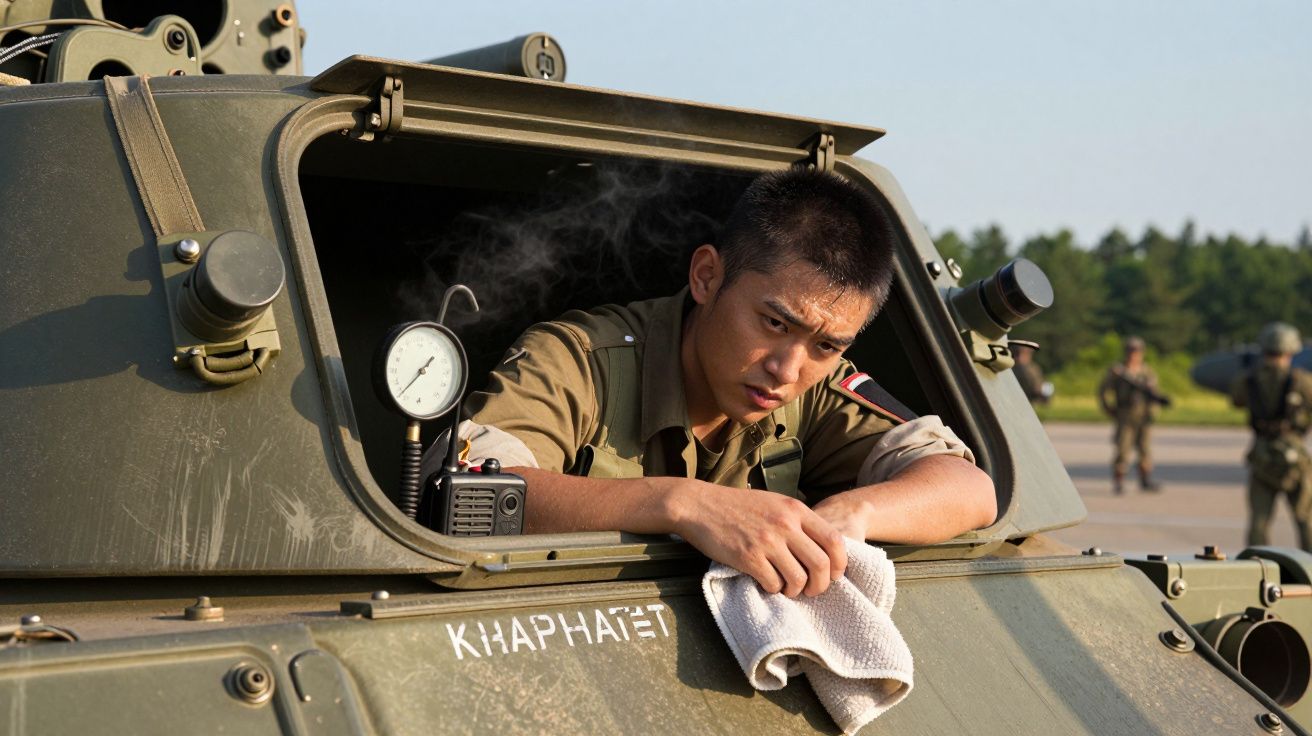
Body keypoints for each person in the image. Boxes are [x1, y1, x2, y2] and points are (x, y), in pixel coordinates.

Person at [457, 168, 996, 598]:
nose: (788, 371)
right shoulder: (578, 361)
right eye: (775, 323)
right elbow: (472, 493)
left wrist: (849, 516)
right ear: (707, 277)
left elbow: (970, 488)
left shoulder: (817, 388)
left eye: (827, 346)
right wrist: (682, 504)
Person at [1231, 322, 1312, 550]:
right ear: (1291, 350)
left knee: (1260, 519)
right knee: (1305, 517)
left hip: (1262, 454)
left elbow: (1237, 401)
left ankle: (1257, 567)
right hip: (1293, 454)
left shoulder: (1247, 380)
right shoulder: (1301, 380)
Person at [1097, 336, 1165, 494]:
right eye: (1130, 350)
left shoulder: (1147, 372)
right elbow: (1103, 390)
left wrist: (1153, 412)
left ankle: (1145, 479)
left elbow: (1154, 394)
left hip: (1143, 416)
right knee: (1122, 449)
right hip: (1125, 414)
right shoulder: (1117, 371)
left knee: (1145, 449)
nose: (1133, 354)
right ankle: (1119, 481)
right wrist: (1108, 408)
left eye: (1137, 351)